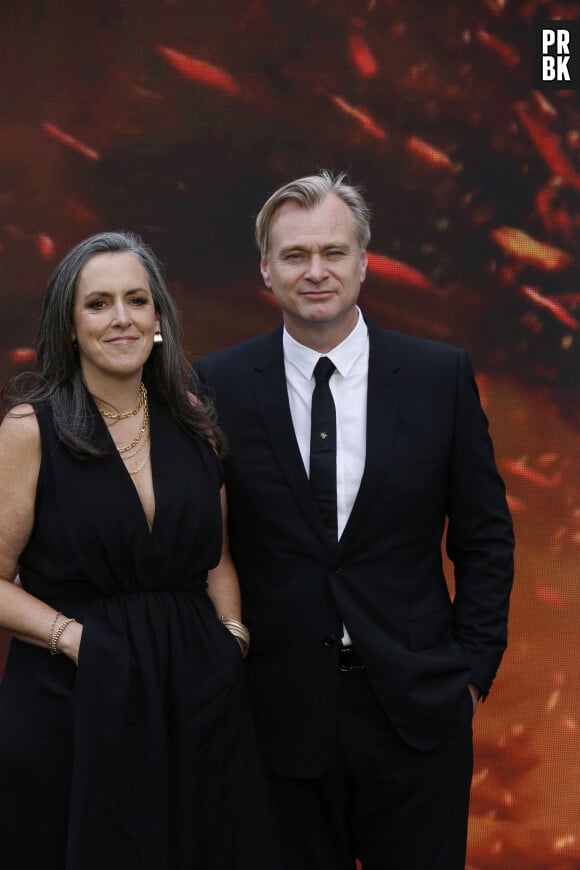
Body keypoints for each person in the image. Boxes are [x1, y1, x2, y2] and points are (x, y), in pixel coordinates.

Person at [194, 171, 515, 870]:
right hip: (274, 715)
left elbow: (485, 536)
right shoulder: (213, 384)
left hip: (416, 709)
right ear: (266, 270)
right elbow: (204, 544)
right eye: (295, 255)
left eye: (334, 253)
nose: (316, 272)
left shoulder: (439, 377)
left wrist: (470, 672)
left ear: (365, 262)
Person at [0, 231, 281, 870]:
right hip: (72, 699)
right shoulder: (29, 430)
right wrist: (72, 639)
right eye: (98, 304)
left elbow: (216, 558)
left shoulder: (194, 421)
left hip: (197, 702)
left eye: (137, 299)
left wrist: (231, 640)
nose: (121, 317)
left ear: (159, 318)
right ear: (69, 327)